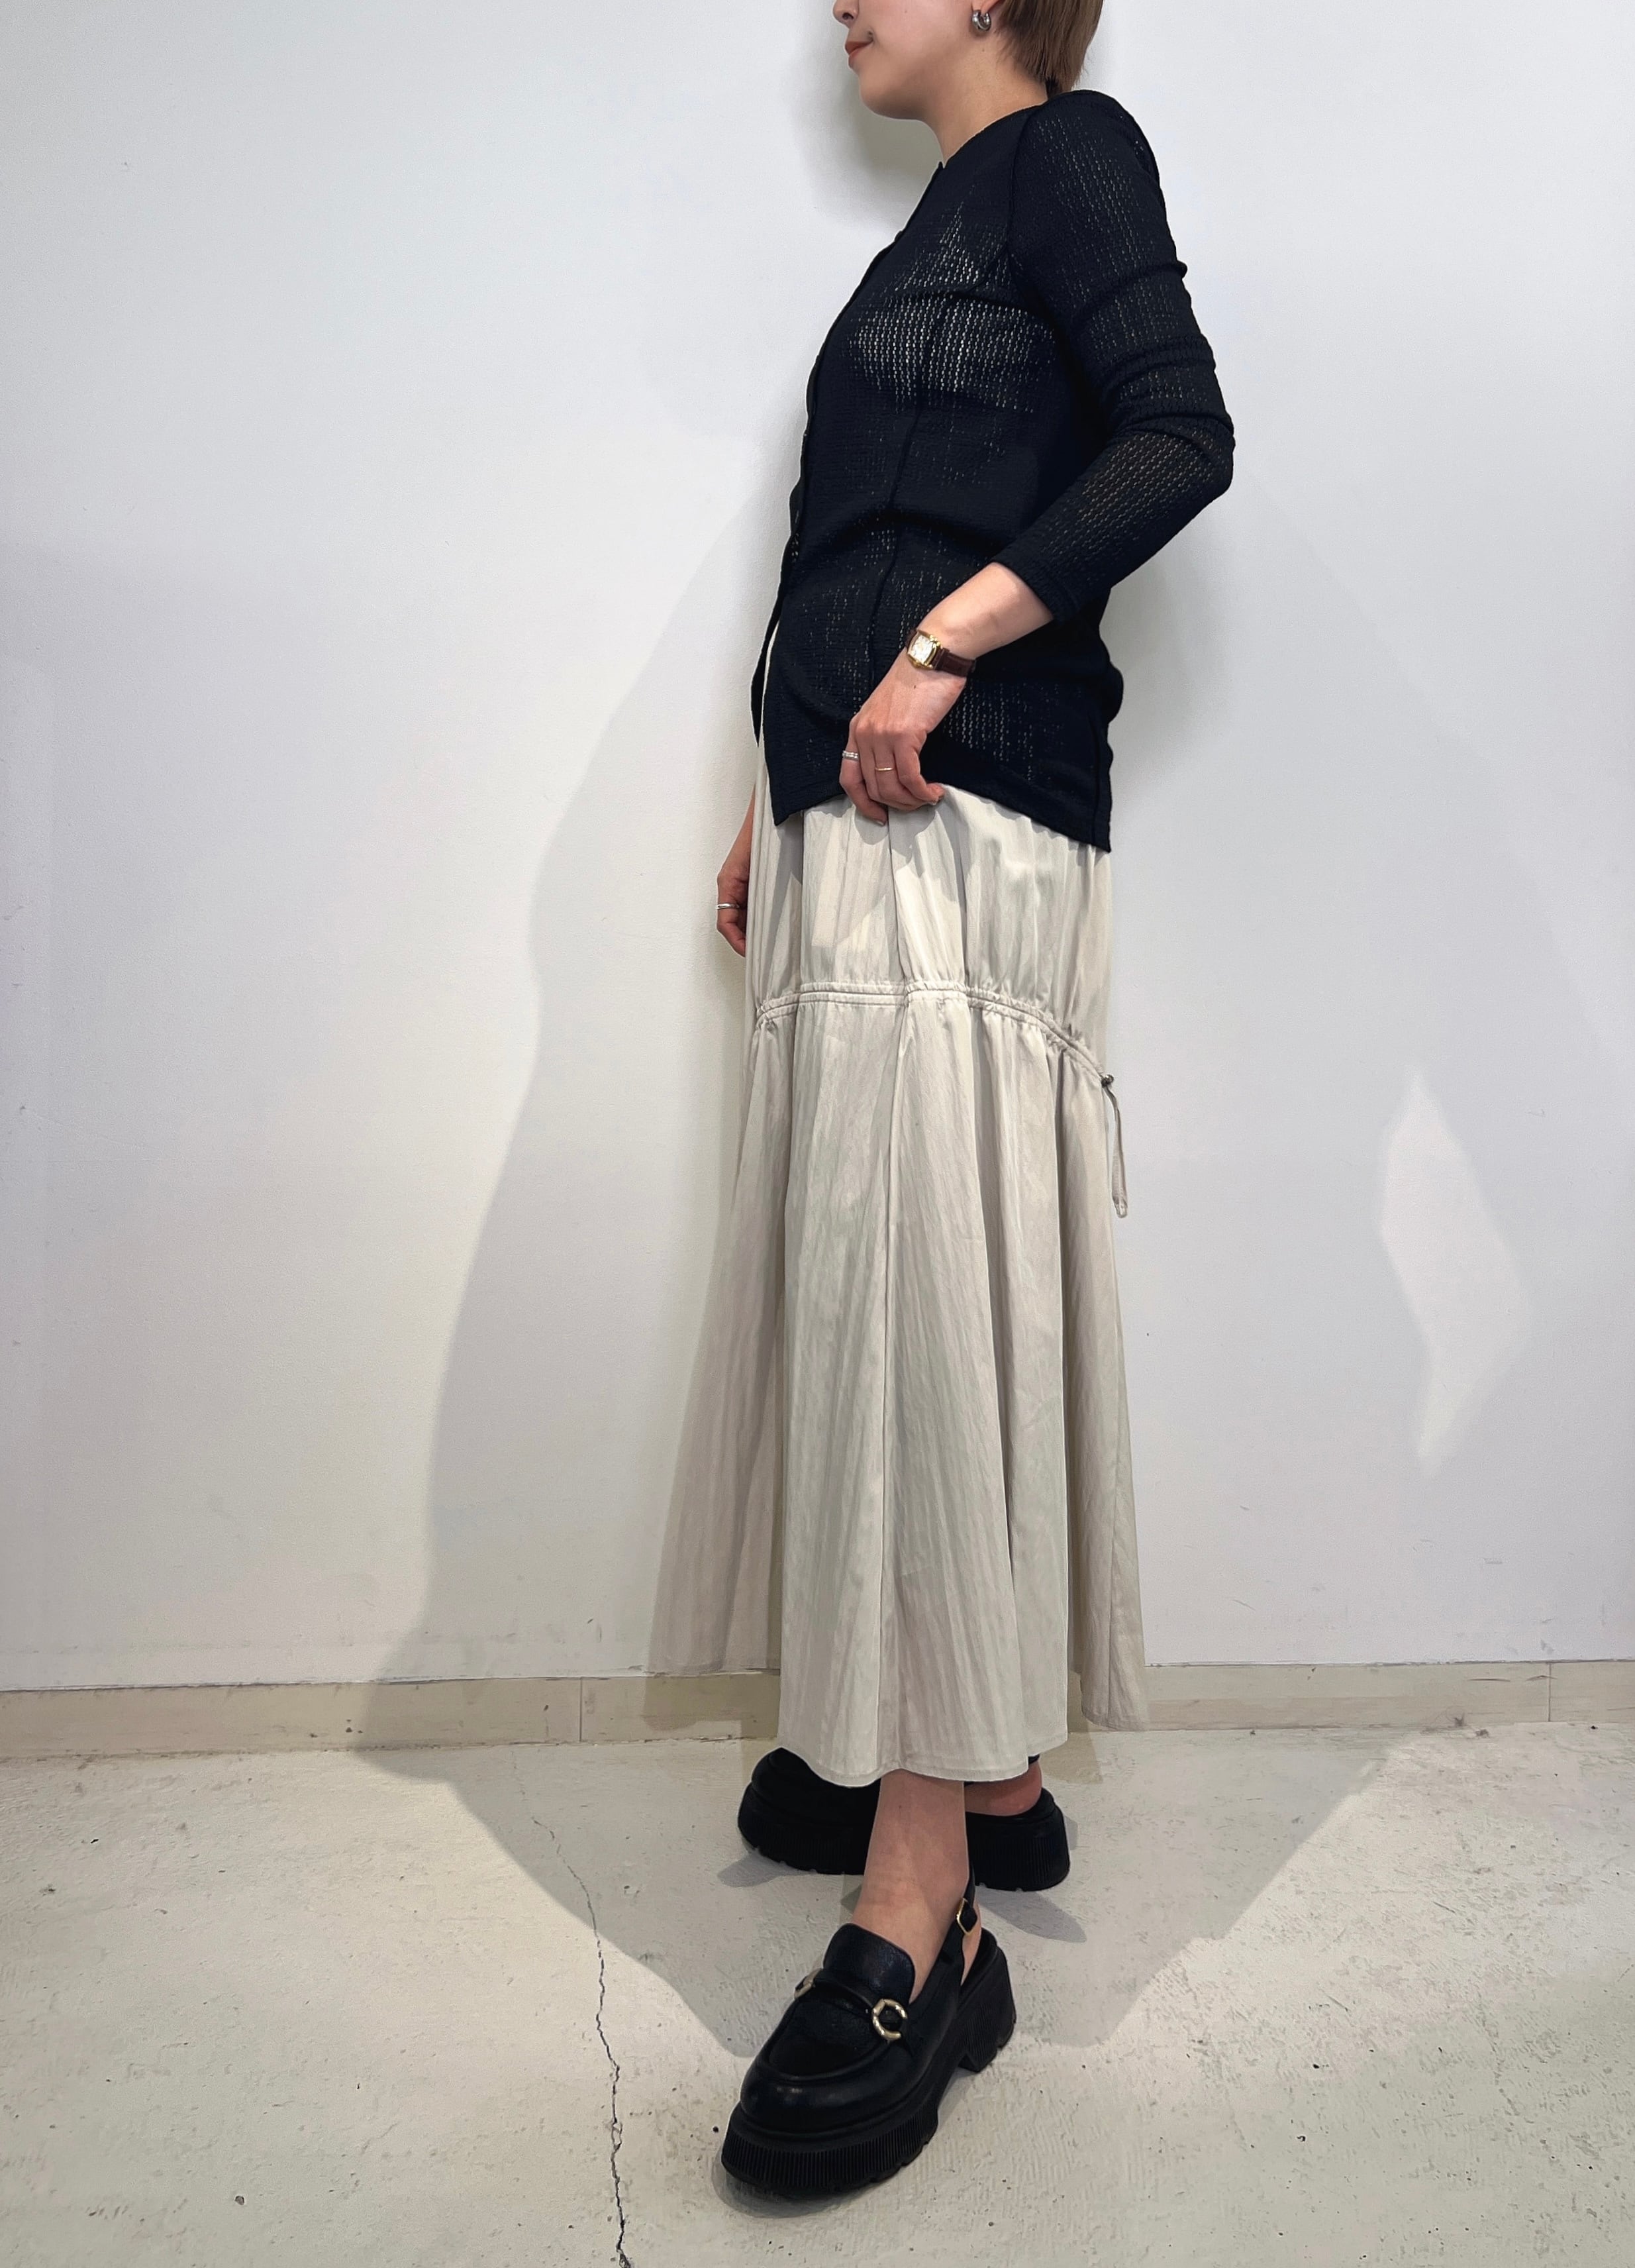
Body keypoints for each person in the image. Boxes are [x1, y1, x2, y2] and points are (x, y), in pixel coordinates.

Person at [652, 0, 1233, 2198]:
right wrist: (765, 789)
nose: (837, 2)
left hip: (958, 815)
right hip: (848, 823)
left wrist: (944, 649)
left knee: (918, 1316)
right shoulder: (926, 242)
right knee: (875, 1297)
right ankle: (979, 1767)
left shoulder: (1072, 154)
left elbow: (1179, 435)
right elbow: (850, 535)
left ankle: (928, 1914)